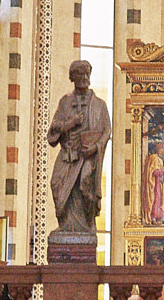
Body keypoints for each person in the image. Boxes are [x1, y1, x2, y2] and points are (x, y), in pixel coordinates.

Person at [48, 59, 112, 238]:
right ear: (72, 77)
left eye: (87, 74)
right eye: (80, 74)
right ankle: (66, 226)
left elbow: (107, 130)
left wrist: (95, 147)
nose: (84, 77)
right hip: (68, 154)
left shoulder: (99, 105)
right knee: (57, 184)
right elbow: (54, 128)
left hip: (88, 156)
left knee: (85, 185)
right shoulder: (65, 102)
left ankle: (87, 225)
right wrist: (70, 123)